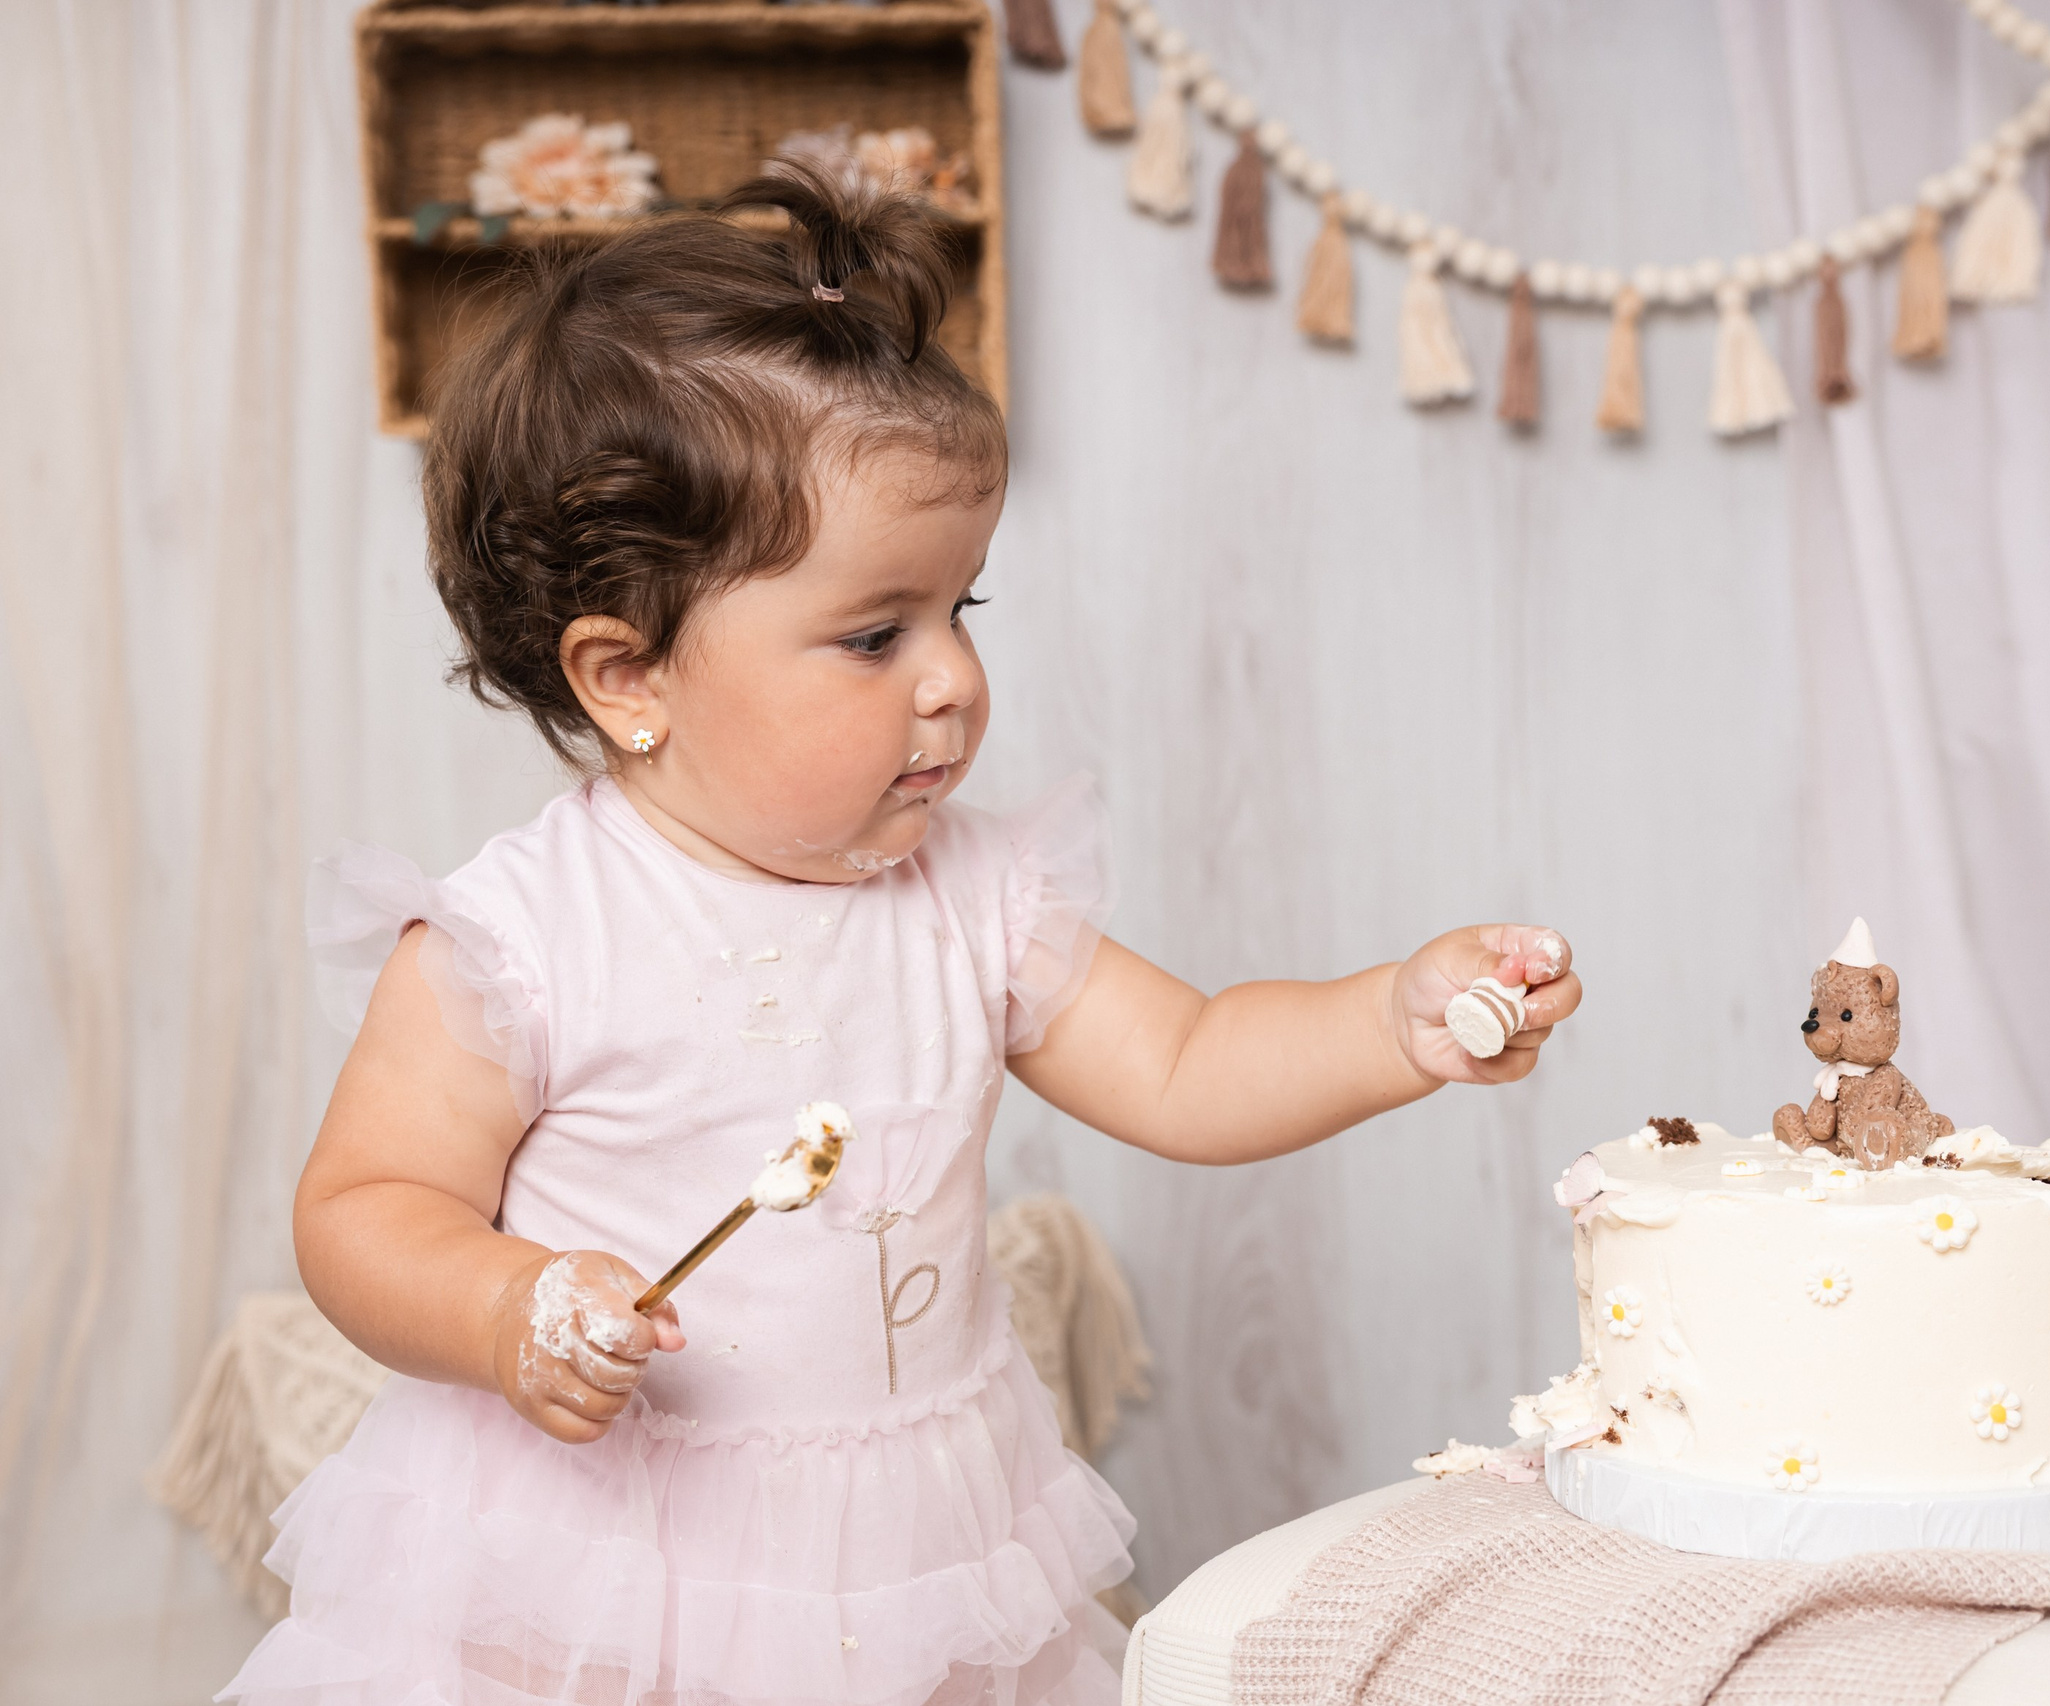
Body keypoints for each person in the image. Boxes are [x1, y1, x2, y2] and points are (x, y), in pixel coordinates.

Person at [224, 166, 1579, 1706]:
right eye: (876, 635)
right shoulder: (524, 939)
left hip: (911, 1544)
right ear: (628, 676)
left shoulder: (973, 896)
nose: (949, 680)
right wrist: (504, 1303)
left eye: (962, 611)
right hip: (598, 1563)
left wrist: (1389, 1020)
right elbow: (363, 1204)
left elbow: (1193, 1064)